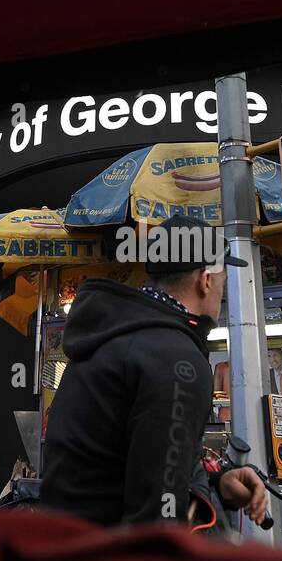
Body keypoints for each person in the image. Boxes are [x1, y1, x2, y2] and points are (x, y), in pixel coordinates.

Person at [41, 215, 269, 527]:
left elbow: (131, 465)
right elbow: (157, 519)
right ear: (206, 280)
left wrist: (217, 484)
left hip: (70, 550)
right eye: (223, 281)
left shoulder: (118, 334)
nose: (221, 292)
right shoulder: (177, 359)